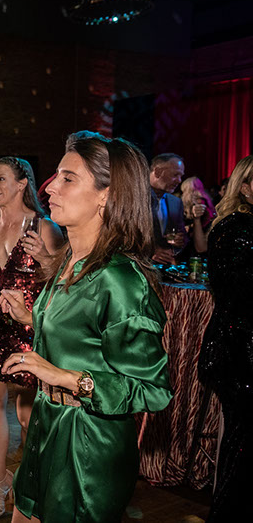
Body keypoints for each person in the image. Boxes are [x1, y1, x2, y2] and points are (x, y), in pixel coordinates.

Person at [0, 131, 172, 522]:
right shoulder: (68, 260)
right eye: (55, 176)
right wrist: (33, 318)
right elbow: (84, 333)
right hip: (45, 427)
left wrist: (63, 377)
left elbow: (153, 389)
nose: (49, 187)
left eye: (68, 178)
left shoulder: (121, 280)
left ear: (105, 196)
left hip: (86, 447)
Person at [0, 157, 63, 518]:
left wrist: (45, 258)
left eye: (1, 179)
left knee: (28, 413)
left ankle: (31, 478)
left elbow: (64, 277)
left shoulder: (44, 226)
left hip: (27, 326)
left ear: (22, 184)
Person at [198, 154, 253, 523]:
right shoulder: (236, 229)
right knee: (241, 446)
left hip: (237, 347)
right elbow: (239, 293)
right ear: (245, 187)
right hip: (237, 351)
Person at [149, 153, 186, 264]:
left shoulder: (175, 202)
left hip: (166, 269)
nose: (179, 180)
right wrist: (150, 251)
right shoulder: (134, 198)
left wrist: (180, 241)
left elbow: (183, 237)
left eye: (181, 176)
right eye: (175, 175)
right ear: (157, 172)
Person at [179, 176, 215, 259]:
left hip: (197, 245)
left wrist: (190, 227)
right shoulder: (206, 200)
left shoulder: (198, 203)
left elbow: (202, 223)